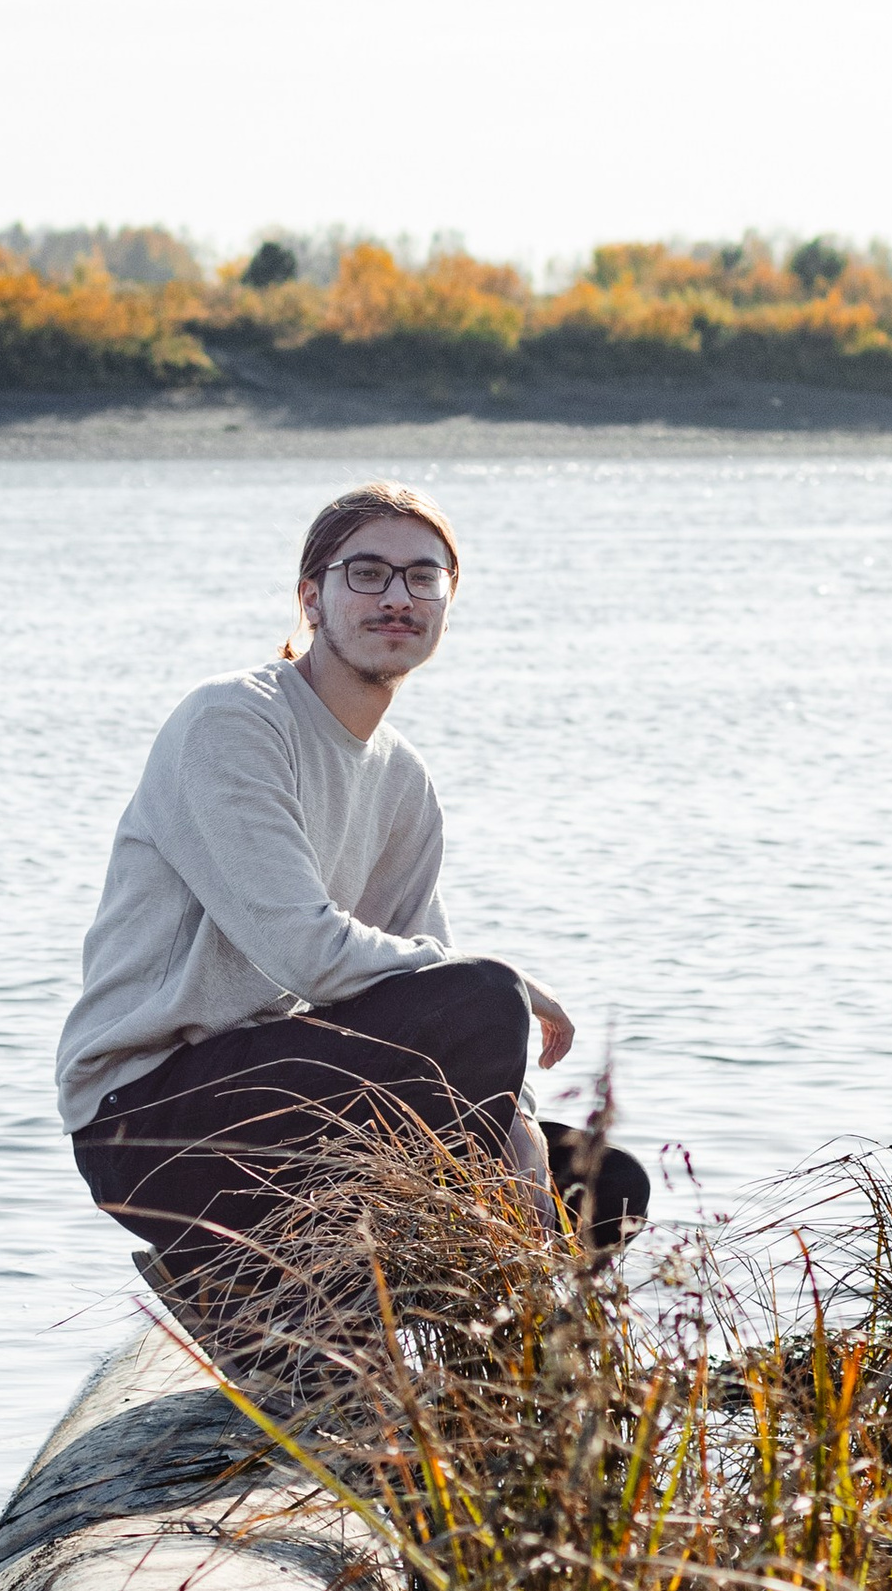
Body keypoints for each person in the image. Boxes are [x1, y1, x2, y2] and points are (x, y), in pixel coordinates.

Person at [61, 482, 645, 1304]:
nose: (397, 596)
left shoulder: (403, 781)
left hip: (293, 1098)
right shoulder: (233, 723)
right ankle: (251, 1287)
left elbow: (434, 1001)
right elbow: (308, 952)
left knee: (604, 1186)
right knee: (479, 994)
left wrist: (517, 1129)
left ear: (448, 601)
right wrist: (504, 983)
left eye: (423, 577)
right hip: (151, 1119)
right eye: (365, 573)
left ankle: (463, 1367)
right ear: (312, 596)